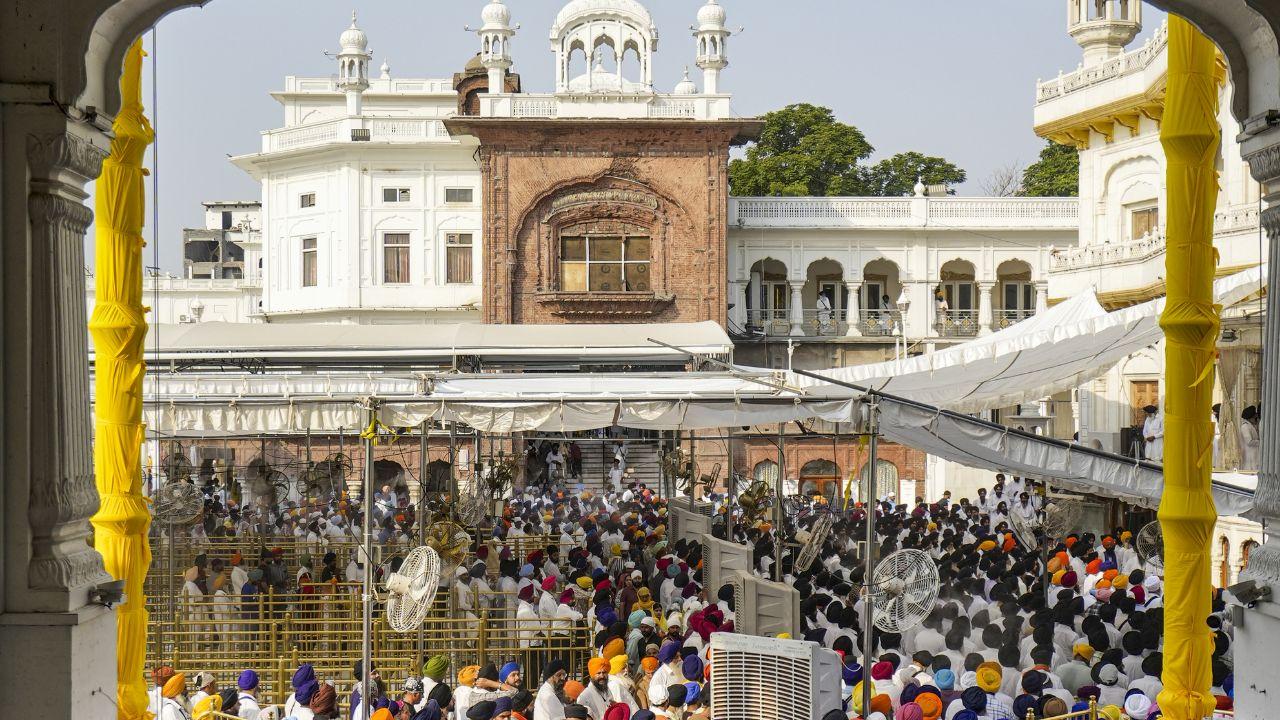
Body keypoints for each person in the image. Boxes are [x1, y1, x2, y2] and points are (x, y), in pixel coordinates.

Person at [1240, 405, 1261, 471]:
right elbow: (1249, 442)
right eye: (1255, 418)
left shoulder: (1251, 426)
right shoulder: (1245, 426)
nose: (1256, 420)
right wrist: (1261, 442)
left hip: (1254, 454)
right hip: (1249, 456)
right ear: (1251, 417)